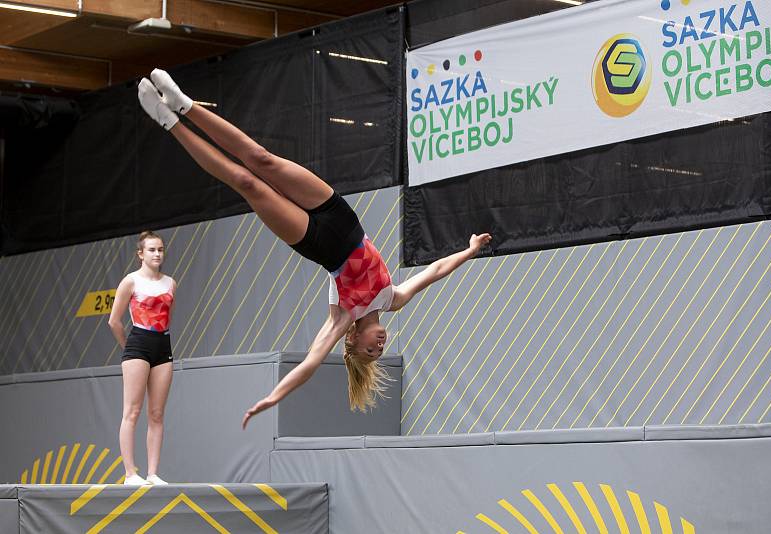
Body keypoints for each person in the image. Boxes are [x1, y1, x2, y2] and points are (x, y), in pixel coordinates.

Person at [136, 69, 491, 429]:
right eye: (380, 351)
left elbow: (310, 363)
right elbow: (435, 271)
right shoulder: (393, 298)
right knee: (262, 159)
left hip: (315, 242)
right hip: (339, 216)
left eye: (370, 350)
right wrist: (469, 250)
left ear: (352, 341)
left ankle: (169, 122)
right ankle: (184, 104)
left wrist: (273, 397)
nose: (379, 346)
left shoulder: (342, 319)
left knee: (247, 183)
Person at [108, 231, 175, 485]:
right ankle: (130, 474)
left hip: (163, 345)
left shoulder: (170, 283)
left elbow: (168, 316)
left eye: (160, 249)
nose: (157, 254)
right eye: (151, 250)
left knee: (156, 413)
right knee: (132, 411)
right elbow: (114, 321)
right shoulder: (131, 282)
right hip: (138, 344)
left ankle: (153, 473)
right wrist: (129, 348)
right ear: (140, 254)